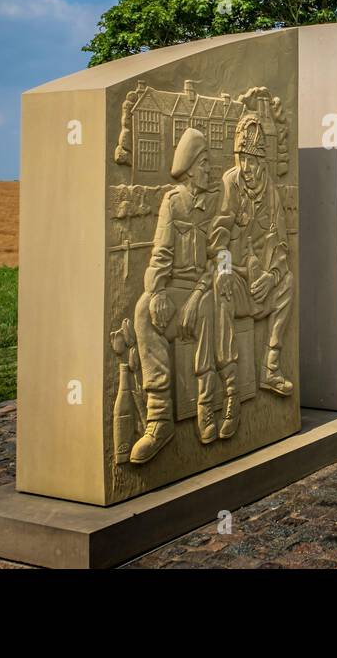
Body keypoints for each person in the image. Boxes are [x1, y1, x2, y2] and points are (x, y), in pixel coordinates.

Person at [130, 127, 216, 461]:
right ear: (192, 167)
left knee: (211, 306)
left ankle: (207, 406)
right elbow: (160, 253)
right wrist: (157, 291)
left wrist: (196, 295)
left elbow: (221, 258)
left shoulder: (217, 203)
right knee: (141, 311)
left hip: (205, 287)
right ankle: (159, 419)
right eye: (205, 164)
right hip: (174, 289)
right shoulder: (174, 202)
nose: (209, 170)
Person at [209, 112, 294, 442]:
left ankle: (270, 366)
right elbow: (218, 235)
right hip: (239, 281)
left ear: (263, 160)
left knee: (288, 283)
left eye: (254, 160)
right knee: (221, 292)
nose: (248, 167)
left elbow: (282, 243)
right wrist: (226, 269)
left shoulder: (271, 192)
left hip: (264, 284)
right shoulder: (229, 183)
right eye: (243, 158)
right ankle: (231, 393)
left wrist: (273, 276)